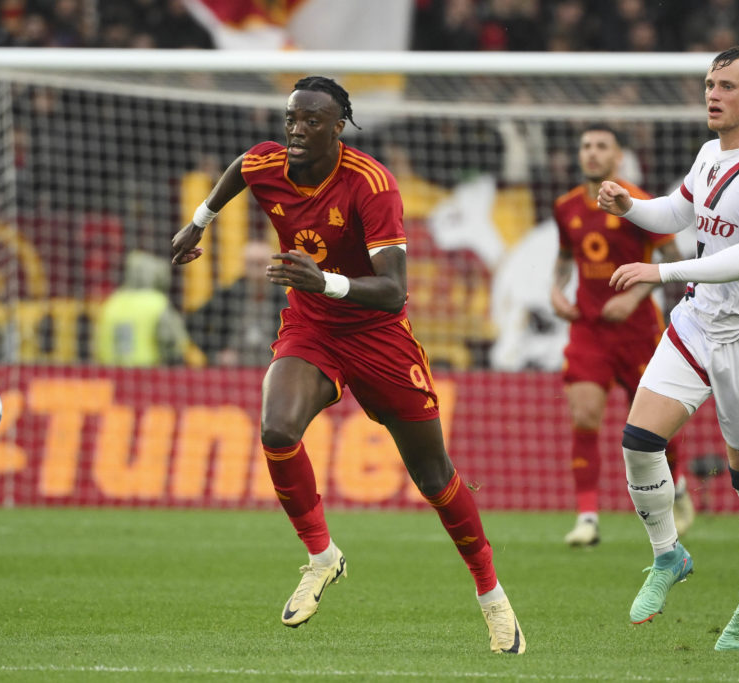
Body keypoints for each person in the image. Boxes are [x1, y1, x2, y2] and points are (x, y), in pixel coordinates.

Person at [171, 76, 525, 654]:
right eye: (291, 118)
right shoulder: (268, 164)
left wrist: (324, 280)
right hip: (312, 329)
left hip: (379, 336)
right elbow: (240, 167)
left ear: (339, 128)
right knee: (276, 429)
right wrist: (199, 223)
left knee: (433, 476)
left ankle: (492, 595)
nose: (297, 129)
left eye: (312, 121)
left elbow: (393, 292)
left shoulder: (372, 185)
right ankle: (322, 556)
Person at [599, 46, 739, 651]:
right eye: (710, 84)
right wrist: (630, 206)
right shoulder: (711, 153)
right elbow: (678, 211)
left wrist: (657, 274)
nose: (714, 95)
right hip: (699, 320)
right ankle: (668, 556)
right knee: (639, 440)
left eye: (728, 86)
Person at [551, 123, 694, 547]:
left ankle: (679, 486)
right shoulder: (566, 207)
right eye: (586, 146)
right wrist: (554, 291)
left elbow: (673, 259)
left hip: (637, 330)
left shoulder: (640, 204)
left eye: (601, 147)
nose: (592, 153)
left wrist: (633, 298)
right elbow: (563, 258)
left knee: (655, 427)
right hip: (588, 329)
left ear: (618, 158)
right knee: (584, 416)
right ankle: (588, 518)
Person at [186, 239, 288, 367]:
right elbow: (192, 322)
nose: (257, 270)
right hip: (233, 372)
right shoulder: (227, 296)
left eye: (261, 264)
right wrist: (216, 354)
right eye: (252, 264)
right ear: (244, 266)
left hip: (271, 369)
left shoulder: (284, 300)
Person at [94, 250, 189, 366]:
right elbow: (171, 342)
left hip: (110, 375)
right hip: (146, 374)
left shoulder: (111, 302)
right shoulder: (157, 303)